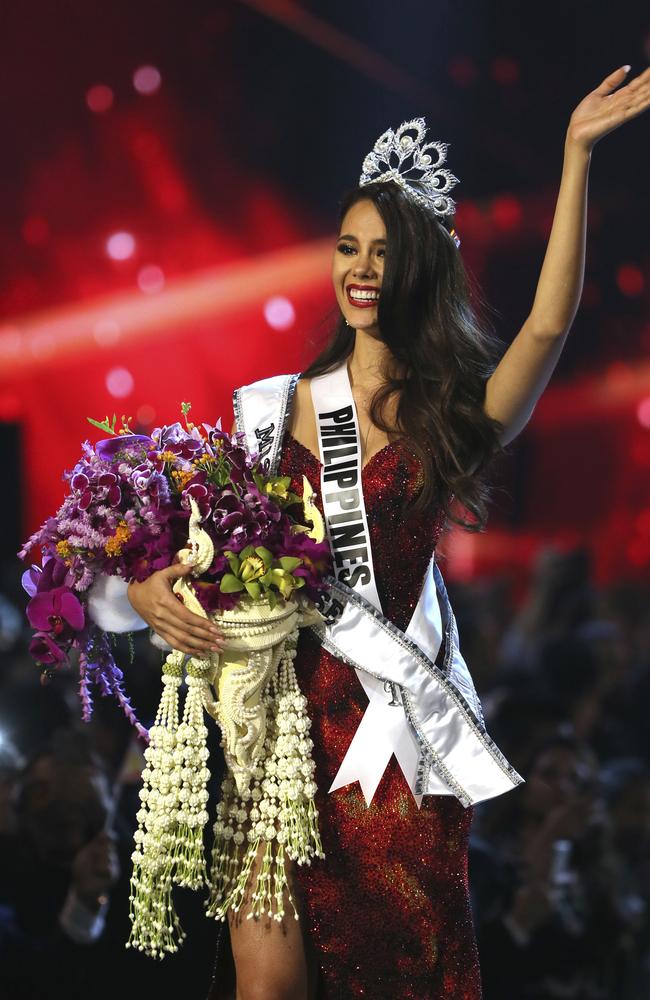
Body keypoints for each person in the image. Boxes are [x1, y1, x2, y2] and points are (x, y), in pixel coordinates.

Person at [125, 66, 650, 999]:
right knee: (268, 987)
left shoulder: (450, 414)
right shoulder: (271, 409)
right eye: (348, 247)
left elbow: (548, 322)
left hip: (389, 749)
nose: (362, 270)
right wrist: (145, 582)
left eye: (384, 252)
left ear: (422, 265)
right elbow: (188, 541)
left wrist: (574, 155)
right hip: (276, 740)